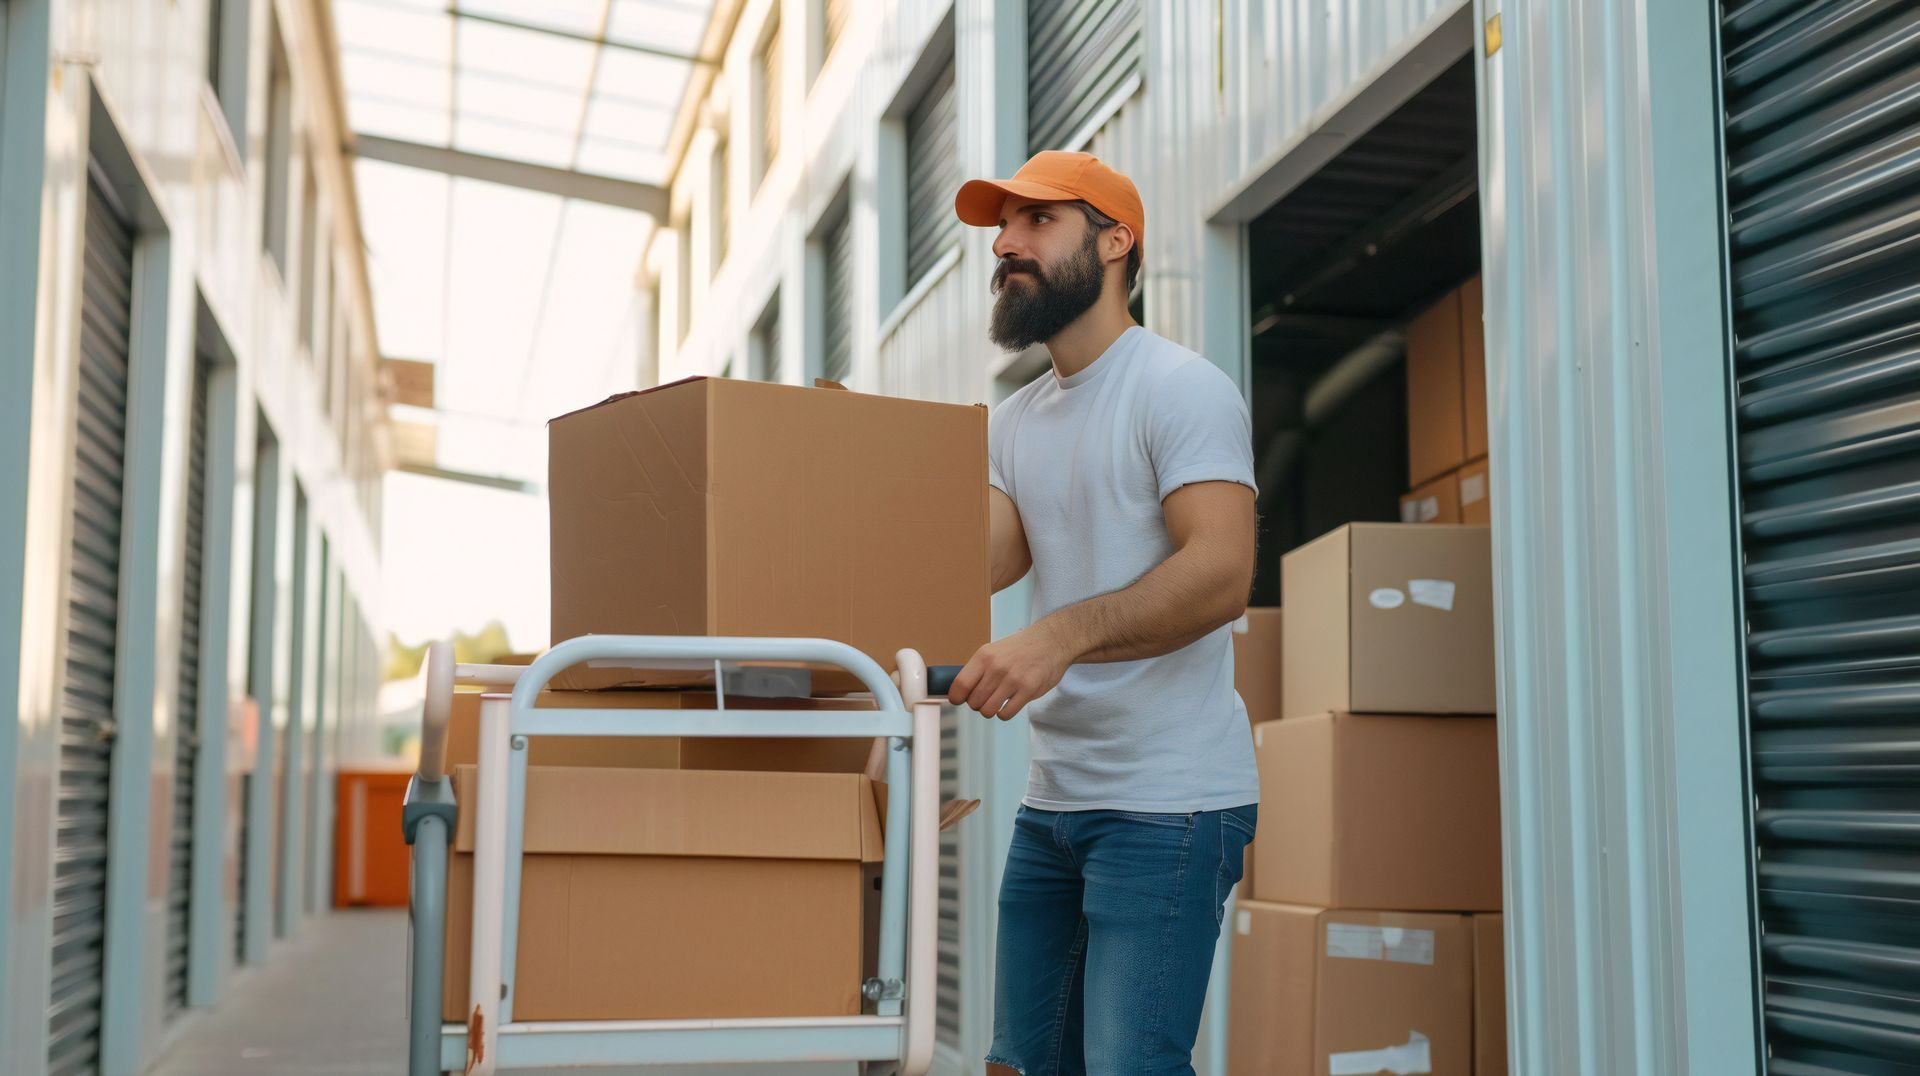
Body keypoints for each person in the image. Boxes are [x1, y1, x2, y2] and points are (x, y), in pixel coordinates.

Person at [947, 151, 1260, 1076]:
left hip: (1167, 803)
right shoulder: (1015, 420)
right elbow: (983, 567)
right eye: (1003, 229)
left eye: (1036, 221)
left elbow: (1221, 572)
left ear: (1116, 241)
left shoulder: (1179, 387)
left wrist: (1059, 635)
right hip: (1056, 801)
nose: (1006, 244)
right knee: (1022, 1064)